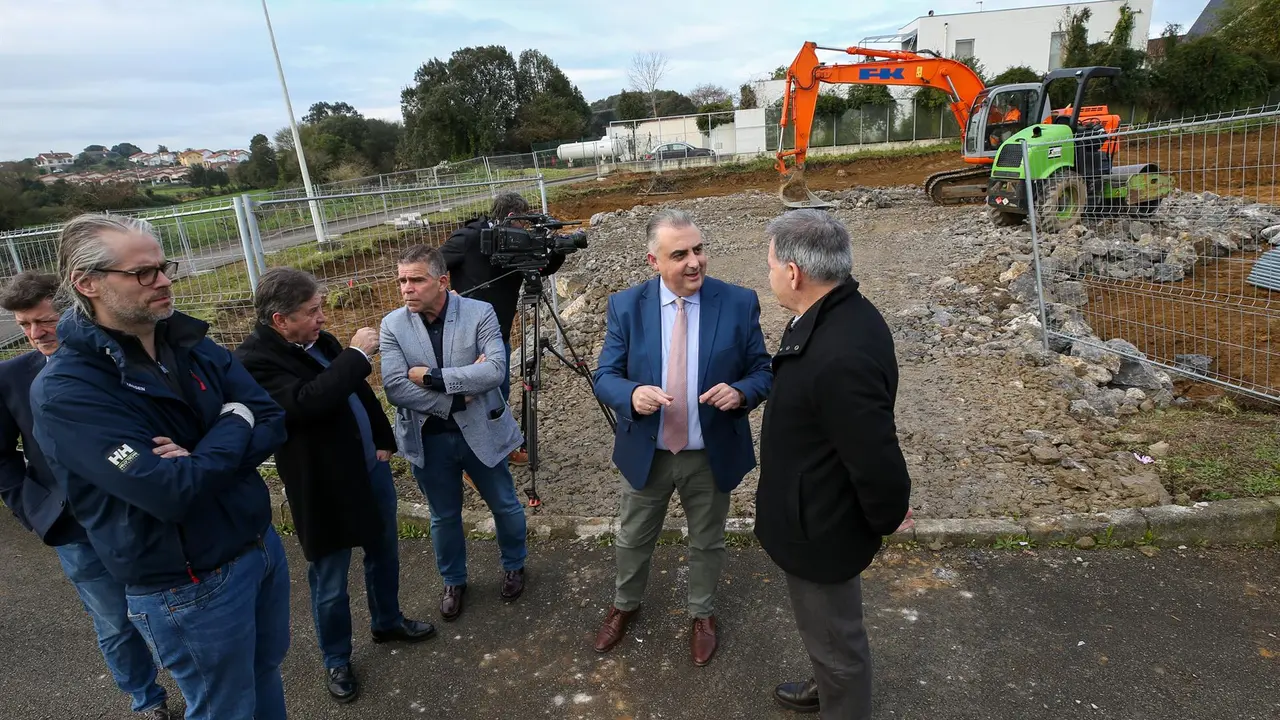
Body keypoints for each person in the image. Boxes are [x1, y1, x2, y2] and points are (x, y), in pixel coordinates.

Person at [29, 213, 291, 720]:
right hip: (187, 584)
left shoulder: (185, 340)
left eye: (163, 266)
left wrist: (205, 452)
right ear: (89, 285)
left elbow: (272, 417)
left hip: (257, 547)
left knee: (264, 675)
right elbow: (168, 490)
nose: (165, 280)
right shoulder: (69, 392)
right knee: (224, 707)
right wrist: (234, 422)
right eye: (143, 273)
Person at [234, 268, 435, 704]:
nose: (322, 317)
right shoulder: (254, 361)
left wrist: (382, 440)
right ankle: (336, 657)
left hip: (369, 471)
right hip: (322, 486)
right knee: (329, 577)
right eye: (311, 311)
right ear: (278, 320)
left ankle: (387, 621)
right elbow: (306, 404)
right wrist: (356, 356)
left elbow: (357, 394)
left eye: (320, 307)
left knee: (384, 552)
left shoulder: (316, 342)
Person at [591, 208, 773, 666]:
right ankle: (624, 605)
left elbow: (763, 371)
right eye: (680, 254)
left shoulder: (736, 302)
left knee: (707, 540)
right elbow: (605, 376)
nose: (695, 262)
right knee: (633, 537)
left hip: (708, 454)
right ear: (653, 261)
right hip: (647, 452)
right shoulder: (626, 306)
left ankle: (701, 614)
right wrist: (632, 395)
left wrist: (740, 392)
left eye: (699, 249)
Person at [755, 209, 911, 718]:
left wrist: (889, 512)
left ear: (795, 272)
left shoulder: (839, 350)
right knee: (823, 631)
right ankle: (827, 684)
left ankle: (843, 701)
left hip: (822, 524)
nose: (771, 275)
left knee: (837, 642)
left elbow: (874, 452)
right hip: (813, 510)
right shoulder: (836, 314)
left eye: (772, 265)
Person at [0, 271, 173, 719]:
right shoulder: (11, 378)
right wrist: (33, 508)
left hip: (140, 516)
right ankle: (147, 702)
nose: (36, 334)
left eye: (45, 321)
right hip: (75, 529)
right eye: (24, 325)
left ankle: (202, 690)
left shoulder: (115, 362)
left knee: (168, 610)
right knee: (114, 623)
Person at [380, 245, 528, 622]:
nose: (406, 289)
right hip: (429, 438)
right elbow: (396, 387)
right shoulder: (393, 325)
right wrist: (459, 394)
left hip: (483, 432)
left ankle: (515, 565)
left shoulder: (480, 312)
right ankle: (453, 580)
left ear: (442, 281)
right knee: (443, 516)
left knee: (505, 505)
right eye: (402, 280)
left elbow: (495, 370)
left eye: (416, 279)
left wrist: (432, 378)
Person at [439, 191, 565, 465]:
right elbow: (431, 267)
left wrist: (557, 253)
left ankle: (500, 448)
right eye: (522, 223)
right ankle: (472, 458)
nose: (524, 229)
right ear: (512, 217)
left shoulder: (518, 244)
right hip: (464, 337)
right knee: (470, 397)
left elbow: (540, 269)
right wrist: (447, 298)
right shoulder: (470, 238)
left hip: (499, 333)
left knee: (499, 393)